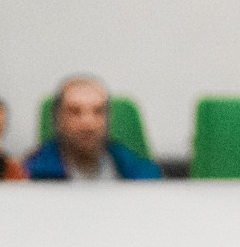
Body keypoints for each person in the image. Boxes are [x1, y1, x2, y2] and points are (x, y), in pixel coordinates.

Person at [23, 76, 161, 181]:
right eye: (75, 111)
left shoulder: (137, 170)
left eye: (98, 111)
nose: (88, 123)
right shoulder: (31, 173)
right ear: (58, 119)